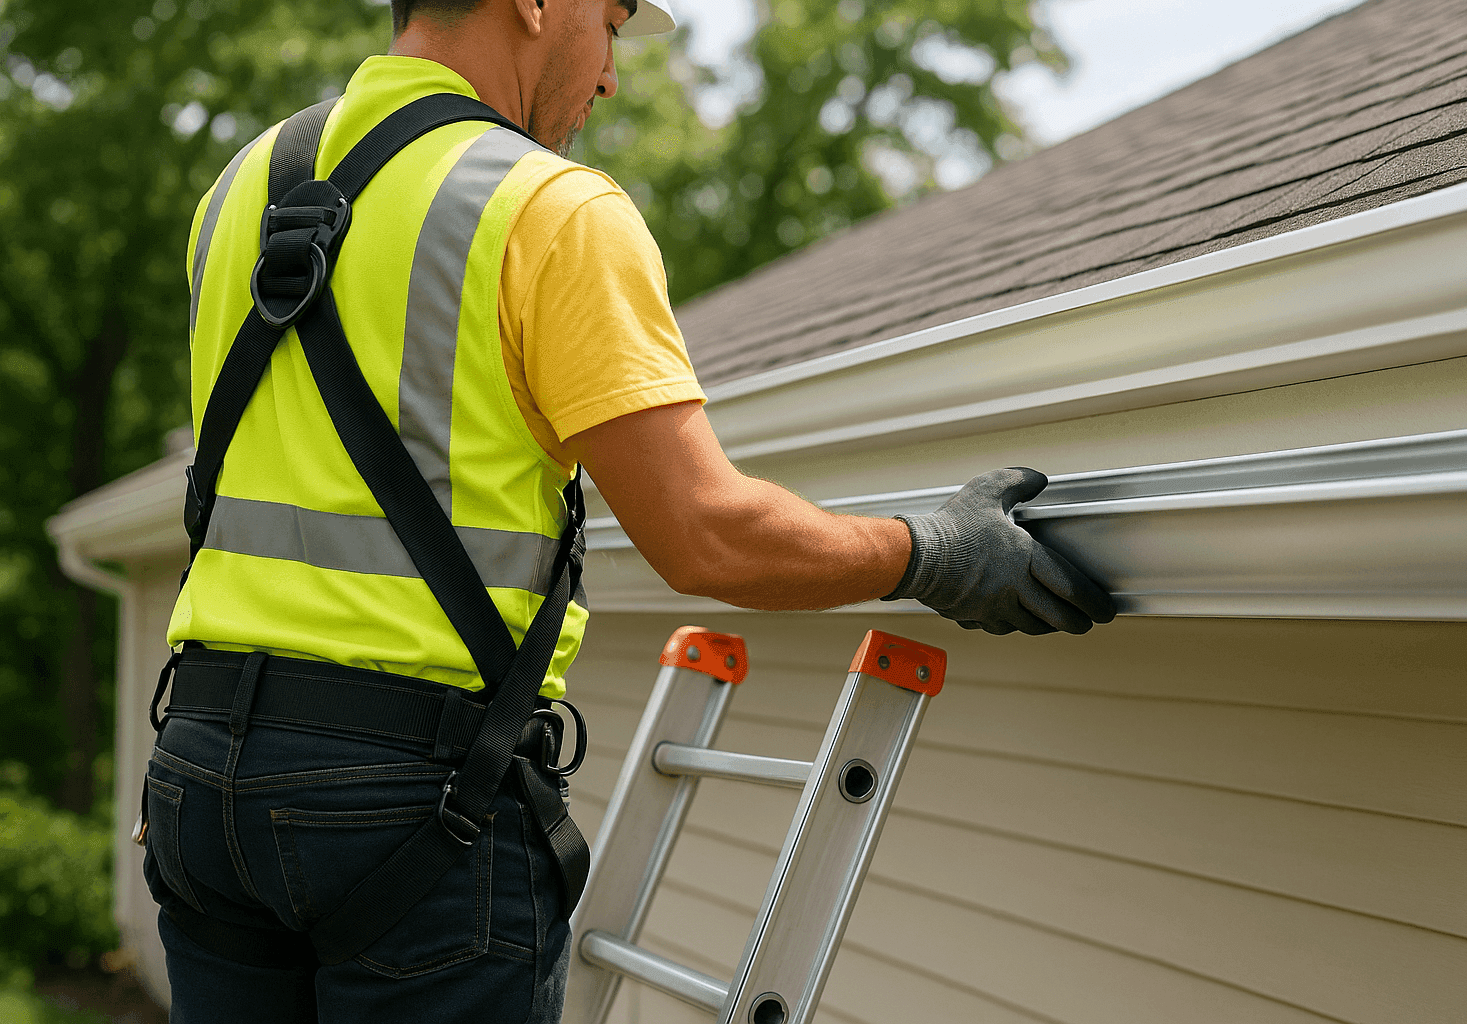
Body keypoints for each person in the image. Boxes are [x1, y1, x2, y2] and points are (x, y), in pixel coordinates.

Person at [141, 1, 1116, 1022]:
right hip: (406, 805)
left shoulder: (243, 186)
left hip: (202, 778)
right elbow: (705, 533)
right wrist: (936, 552)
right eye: (609, 21)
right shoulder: (545, 206)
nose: (610, 74)